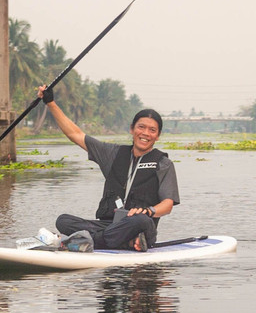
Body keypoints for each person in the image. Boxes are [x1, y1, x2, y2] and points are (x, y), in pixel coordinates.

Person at [38, 85, 179, 251]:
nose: (146, 133)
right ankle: (119, 242)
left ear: (158, 135)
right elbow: (75, 134)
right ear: (132, 129)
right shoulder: (112, 154)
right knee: (63, 220)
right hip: (109, 225)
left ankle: (86, 241)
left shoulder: (163, 164)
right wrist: (50, 103)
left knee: (141, 220)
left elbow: (167, 205)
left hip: (138, 226)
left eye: (152, 130)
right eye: (141, 127)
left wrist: (148, 211)